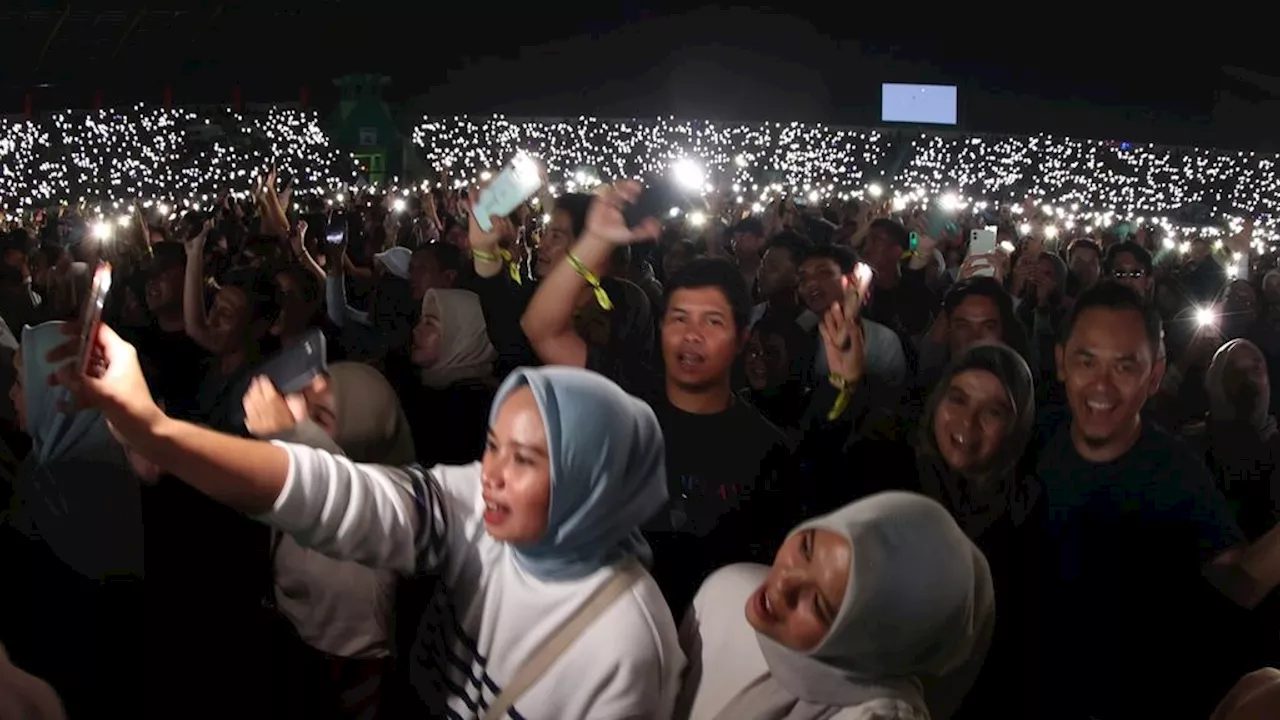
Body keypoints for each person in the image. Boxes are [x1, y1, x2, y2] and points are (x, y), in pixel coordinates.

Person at [48, 330, 684, 719]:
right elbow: (338, 495)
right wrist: (154, 431)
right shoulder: (471, 505)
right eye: (490, 445)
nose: (490, 472)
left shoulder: (627, 647)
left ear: (592, 479)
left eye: (524, 459)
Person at [676, 492, 993, 720]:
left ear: (872, 647)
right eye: (807, 547)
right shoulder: (728, 592)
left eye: (819, 605)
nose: (783, 584)